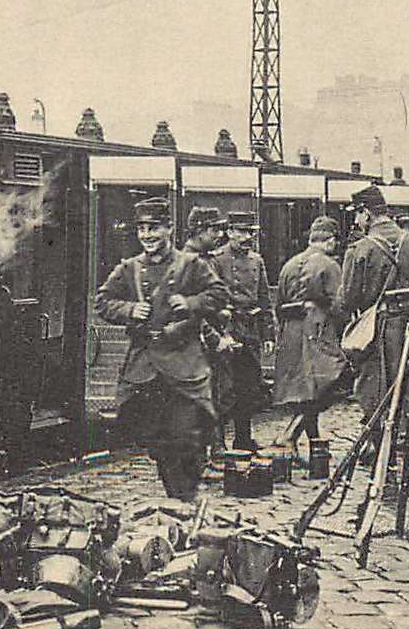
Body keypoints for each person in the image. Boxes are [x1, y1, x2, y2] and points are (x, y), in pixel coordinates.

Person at [93, 196, 227, 500]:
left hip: (184, 365)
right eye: (142, 229)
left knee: (187, 436)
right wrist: (129, 309)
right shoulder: (129, 268)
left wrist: (190, 302)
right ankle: (178, 496)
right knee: (158, 440)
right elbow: (103, 301)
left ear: (169, 229)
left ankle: (185, 495)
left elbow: (218, 293)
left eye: (154, 228)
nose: (147, 235)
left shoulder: (190, 265)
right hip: (146, 368)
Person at [338, 185, 409, 418]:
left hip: (380, 331)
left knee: (378, 388)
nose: (356, 221)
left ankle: (380, 433)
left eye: (357, 215)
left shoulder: (359, 249)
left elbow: (348, 300)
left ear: (366, 213)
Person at [272, 215, 347, 463]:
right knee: (328, 384)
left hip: (292, 331)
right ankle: (289, 435)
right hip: (318, 329)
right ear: (330, 240)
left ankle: (314, 444)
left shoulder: (289, 264)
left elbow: (279, 304)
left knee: (307, 390)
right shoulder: (329, 265)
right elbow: (339, 304)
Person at [213, 211, 275, 451]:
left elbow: (264, 299)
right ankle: (218, 443)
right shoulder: (217, 260)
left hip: (250, 329)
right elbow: (214, 299)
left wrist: (268, 334)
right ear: (229, 232)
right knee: (224, 387)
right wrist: (222, 332)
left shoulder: (257, 261)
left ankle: (243, 438)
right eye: (241, 232)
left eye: (250, 232)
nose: (247, 237)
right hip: (228, 328)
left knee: (249, 386)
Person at [181, 206, 231, 443]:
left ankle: (216, 446)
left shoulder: (206, 259)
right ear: (199, 231)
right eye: (214, 230)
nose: (219, 235)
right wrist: (214, 337)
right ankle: (205, 452)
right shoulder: (188, 262)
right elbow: (189, 312)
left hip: (211, 340)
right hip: (196, 342)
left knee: (216, 394)